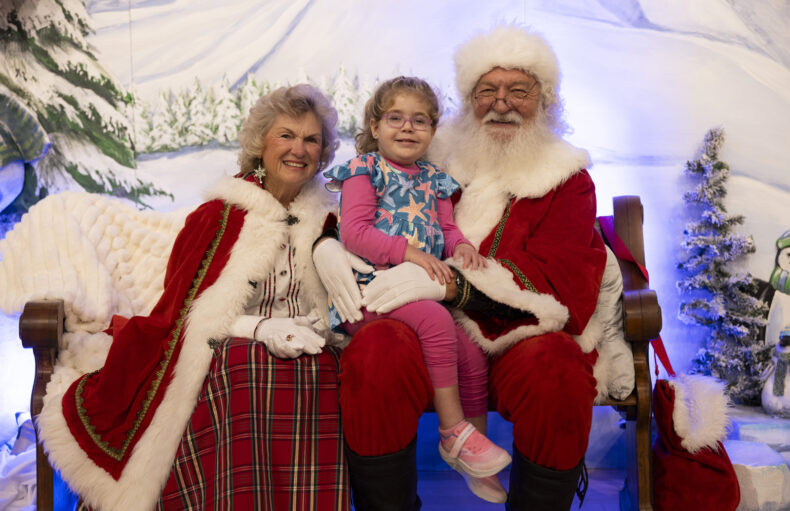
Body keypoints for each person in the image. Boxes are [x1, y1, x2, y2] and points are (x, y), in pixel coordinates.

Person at [313, 25, 607, 510]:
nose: (501, 102)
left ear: (547, 101)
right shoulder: (434, 155)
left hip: (514, 331)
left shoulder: (567, 180)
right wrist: (326, 245)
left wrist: (455, 288)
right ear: (468, 100)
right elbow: (361, 211)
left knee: (559, 369)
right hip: (417, 324)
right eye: (487, 90)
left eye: (519, 90)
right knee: (376, 352)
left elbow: (564, 283)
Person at [36, 84, 352, 510]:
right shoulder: (218, 217)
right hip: (231, 348)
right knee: (248, 365)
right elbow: (185, 313)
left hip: (309, 344)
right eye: (286, 135)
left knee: (318, 370)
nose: (299, 149)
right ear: (261, 143)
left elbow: (346, 298)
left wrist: (318, 323)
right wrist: (259, 327)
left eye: (311, 139)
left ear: (324, 150)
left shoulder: (331, 218)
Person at [323, 75, 510, 503]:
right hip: (371, 291)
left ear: (433, 129)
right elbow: (353, 233)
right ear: (374, 126)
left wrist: (462, 248)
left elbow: (445, 229)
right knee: (434, 319)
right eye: (395, 118)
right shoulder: (363, 171)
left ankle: (473, 455)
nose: (408, 128)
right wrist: (407, 253)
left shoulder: (434, 179)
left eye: (420, 120)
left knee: (473, 353)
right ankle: (452, 433)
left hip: (417, 288)